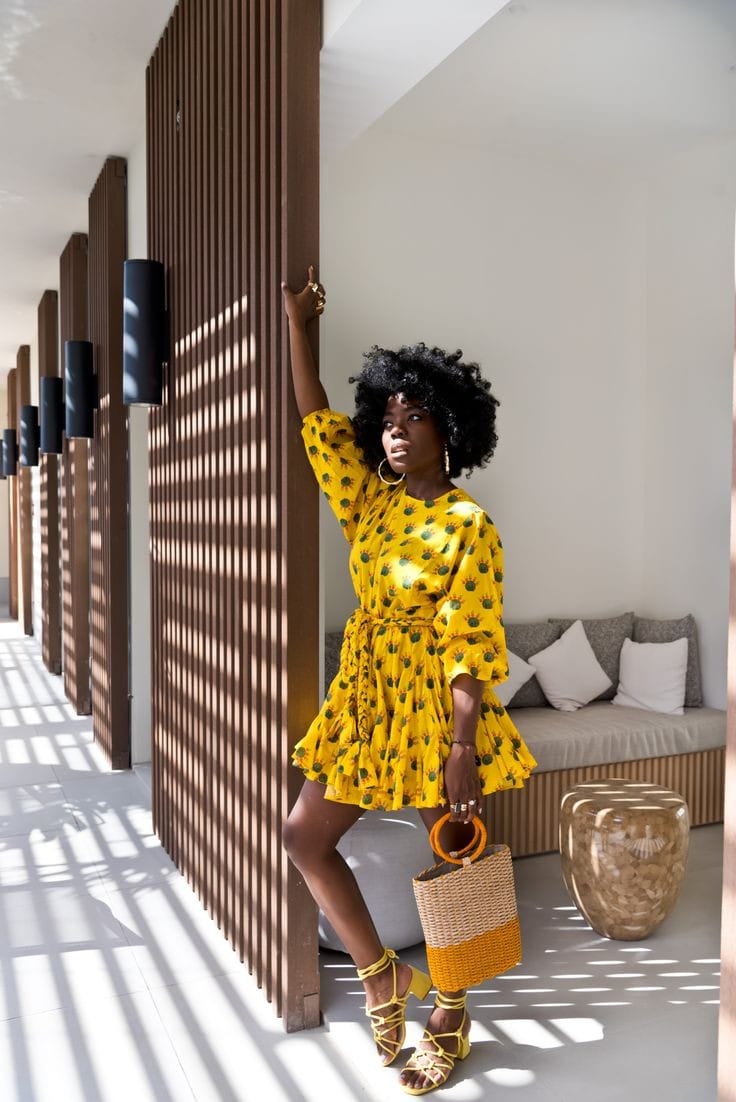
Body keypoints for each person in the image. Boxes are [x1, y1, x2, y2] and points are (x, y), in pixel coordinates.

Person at [281, 267, 537, 1095]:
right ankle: (382, 976)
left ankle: (452, 1012)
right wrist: (298, 326)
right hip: (367, 696)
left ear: (449, 429)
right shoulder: (371, 503)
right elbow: (316, 420)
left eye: (413, 418)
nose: (395, 433)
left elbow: (472, 642)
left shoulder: (469, 525)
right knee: (304, 837)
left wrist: (462, 748)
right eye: (388, 420)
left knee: (455, 864)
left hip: (434, 707)